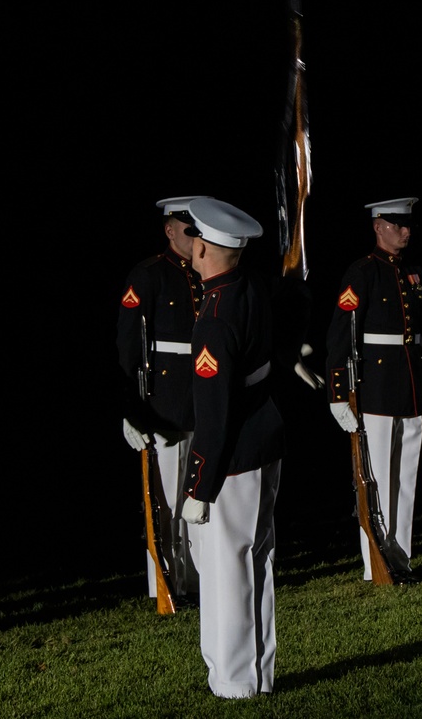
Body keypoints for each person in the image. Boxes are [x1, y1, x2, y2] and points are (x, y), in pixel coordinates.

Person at [179, 196, 285, 699]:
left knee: (226, 566)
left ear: (201, 248)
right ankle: (258, 674)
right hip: (264, 440)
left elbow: (215, 414)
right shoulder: (250, 287)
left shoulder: (213, 318)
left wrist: (200, 483)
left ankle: (234, 681)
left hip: (234, 457)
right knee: (256, 558)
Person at [325, 197, 422, 582]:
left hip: (410, 387)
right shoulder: (362, 273)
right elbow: (341, 334)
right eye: (397, 224)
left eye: (407, 224)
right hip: (377, 389)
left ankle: (401, 558)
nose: (406, 230)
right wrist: (339, 393)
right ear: (378, 226)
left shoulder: (413, 272)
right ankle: (377, 562)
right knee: (379, 476)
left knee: (406, 478)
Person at [116, 196, 206, 603]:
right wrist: (132, 409)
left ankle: (196, 580)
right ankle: (166, 584)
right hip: (165, 401)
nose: (195, 237)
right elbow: (128, 348)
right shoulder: (149, 275)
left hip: (202, 397)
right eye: (189, 230)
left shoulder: (208, 274)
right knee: (167, 499)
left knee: (198, 496)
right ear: (169, 230)